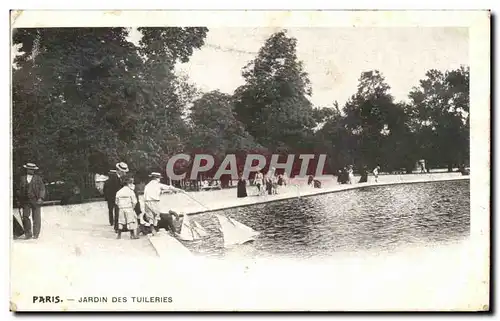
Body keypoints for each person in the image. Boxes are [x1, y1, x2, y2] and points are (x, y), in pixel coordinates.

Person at [16, 163, 46, 240]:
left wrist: (41, 198)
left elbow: (42, 189)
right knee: (25, 217)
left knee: (36, 218)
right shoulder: (22, 178)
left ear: (34, 170)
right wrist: (19, 199)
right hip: (26, 201)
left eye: (32, 169)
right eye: (29, 169)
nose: (31, 170)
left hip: (36, 200)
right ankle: (28, 233)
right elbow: (18, 190)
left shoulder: (38, 178)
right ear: (27, 169)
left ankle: (36, 234)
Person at [105, 162, 129, 232]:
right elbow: (113, 190)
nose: (124, 173)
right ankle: (117, 227)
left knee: (118, 212)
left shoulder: (120, 178)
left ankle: (118, 226)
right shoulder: (113, 178)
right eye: (123, 172)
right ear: (118, 170)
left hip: (117, 197)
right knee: (117, 212)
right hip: (114, 198)